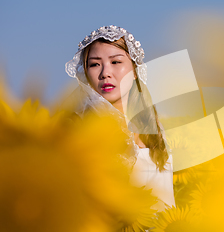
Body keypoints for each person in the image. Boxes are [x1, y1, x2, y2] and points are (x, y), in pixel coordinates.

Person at [65, 25, 175, 211]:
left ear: (134, 70)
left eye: (116, 62)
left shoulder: (154, 125)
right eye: (94, 64)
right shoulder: (80, 129)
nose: (105, 73)